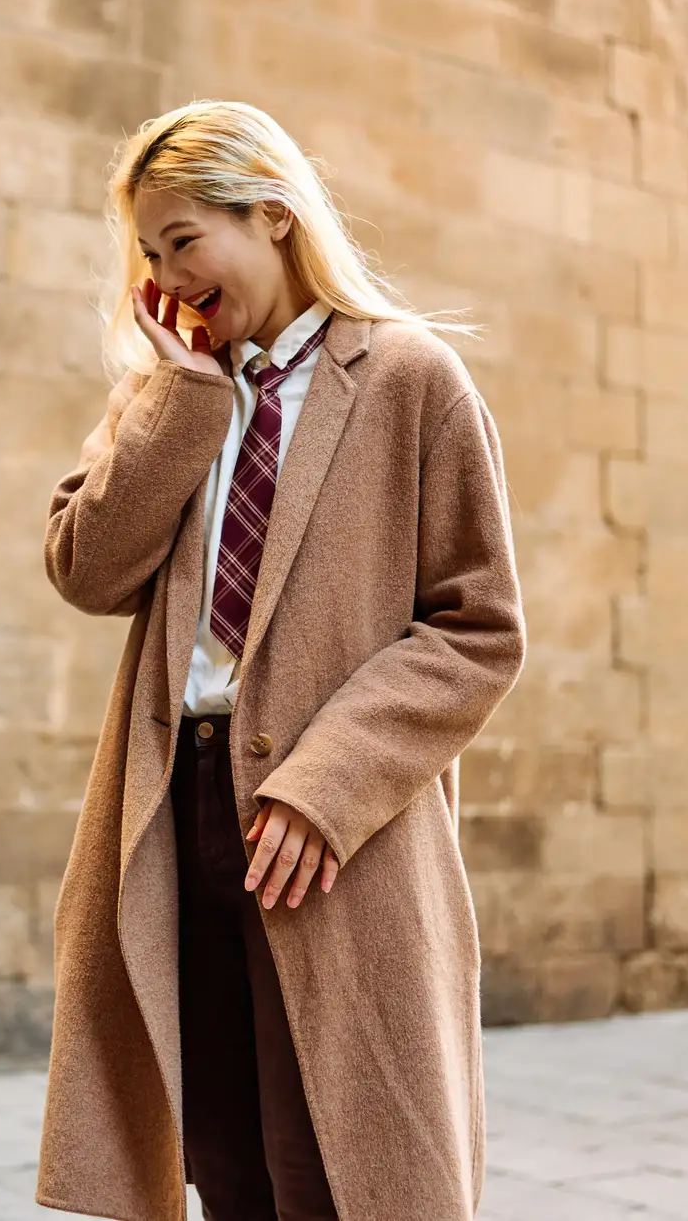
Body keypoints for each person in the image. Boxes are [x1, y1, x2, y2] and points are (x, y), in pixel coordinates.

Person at [38, 101, 526, 1219]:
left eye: (182, 240)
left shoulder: (410, 379)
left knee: (339, 1161)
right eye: (150, 253)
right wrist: (184, 403)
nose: (167, 273)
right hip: (176, 814)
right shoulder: (164, 398)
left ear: (272, 213)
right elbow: (84, 569)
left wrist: (326, 782)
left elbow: (477, 625)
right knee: (225, 1154)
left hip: (328, 828)